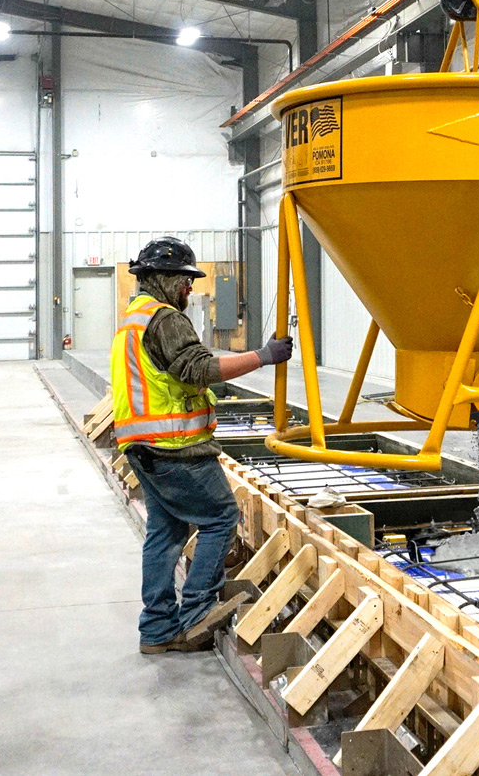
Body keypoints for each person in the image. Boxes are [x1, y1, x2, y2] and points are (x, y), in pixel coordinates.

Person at [111, 236, 293, 654]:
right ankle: (195, 615)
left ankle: (157, 630)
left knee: (166, 531)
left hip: (140, 447)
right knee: (220, 517)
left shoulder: (133, 317)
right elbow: (199, 369)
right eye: (185, 280)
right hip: (174, 448)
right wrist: (262, 356)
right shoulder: (165, 319)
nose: (190, 289)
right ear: (163, 279)